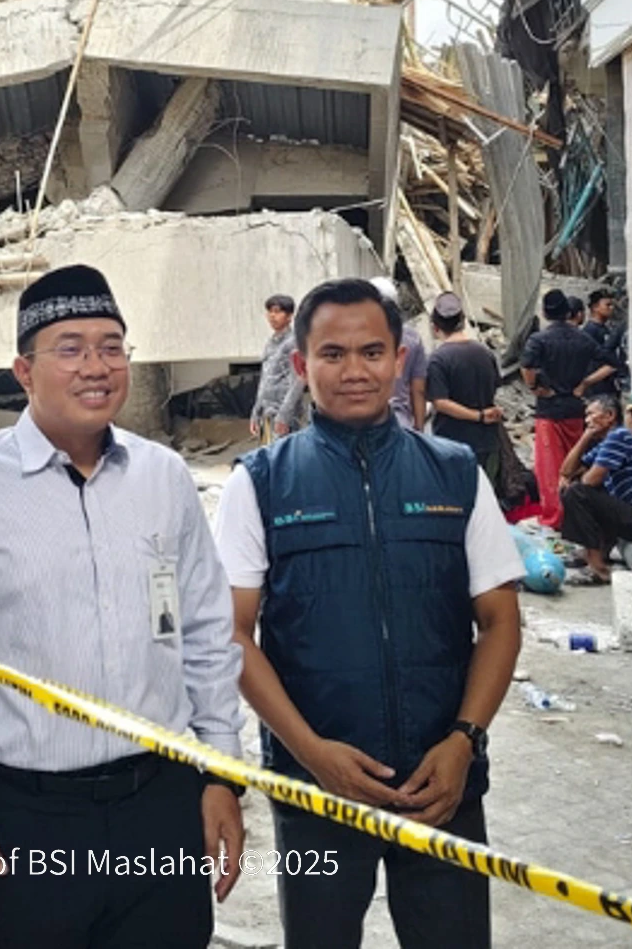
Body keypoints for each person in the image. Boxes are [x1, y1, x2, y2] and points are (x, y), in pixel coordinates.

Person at [0, 264, 246, 948]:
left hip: (159, 803)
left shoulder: (163, 478)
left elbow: (202, 628)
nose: (96, 366)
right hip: (18, 820)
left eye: (112, 346)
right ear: (24, 370)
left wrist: (221, 771)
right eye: (71, 347)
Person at [215, 278, 524, 949]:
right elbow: (232, 634)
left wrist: (462, 740)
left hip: (441, 783)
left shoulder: (453, 474)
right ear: (301, 365)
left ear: (398, 358)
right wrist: (310, 753)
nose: (354, 370)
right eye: (332, 353)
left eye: (371, 351)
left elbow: (500, 619)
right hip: (314, 790)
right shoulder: (260, 482)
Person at [518, 291, 615, 530]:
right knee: (576, 463)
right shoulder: (583, 339)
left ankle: (554, 517)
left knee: (549, 468)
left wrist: (534, 387)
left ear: (545, 313)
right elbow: (612, 362)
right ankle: (576, 516)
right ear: (569, 312)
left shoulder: (539, 340)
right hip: (575, 409)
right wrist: (585, 383)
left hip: (549, 410)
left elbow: (526, 365)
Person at [556, 395, 632, 585]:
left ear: (610, 416)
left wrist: (576, 479)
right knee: (579, 491)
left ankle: (598, 568)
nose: (587, 420)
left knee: (578, 492)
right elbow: (566, 470)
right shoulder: (609, 442)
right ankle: (596, 554)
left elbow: (589, 481)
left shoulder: (620, 437)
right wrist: (586, 435)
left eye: (591, 415)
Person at [424, 291, 504, 483]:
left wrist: (478, 416)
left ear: (435, 328)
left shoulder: (438, 359)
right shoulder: (485, 353)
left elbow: (441, 403)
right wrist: (482, 415)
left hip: (452, 442)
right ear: (463, 321)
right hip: (486, 442)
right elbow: (494, 386)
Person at [369, 277, 428, 431]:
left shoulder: (357, 337)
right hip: (400, 422)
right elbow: (418, 389)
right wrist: (419, 430)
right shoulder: (412, 338)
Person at [251, 293, 308, 443]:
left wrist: (284, 415)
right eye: (270, 311)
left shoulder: (293, 343)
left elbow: (299, 380)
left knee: (284, 460)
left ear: (289, 316)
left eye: (277, 311)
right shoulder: (270, 344)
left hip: (285, 415)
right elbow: (265, 379)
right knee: (268, 459)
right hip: (267, 413)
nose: (272, 316)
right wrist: (256, 411)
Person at [582, 289, 628, 392]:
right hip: (597, 385)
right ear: (595, 307)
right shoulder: (589, 331)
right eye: (607, 305)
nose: (611, 308)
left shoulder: (607, 328)